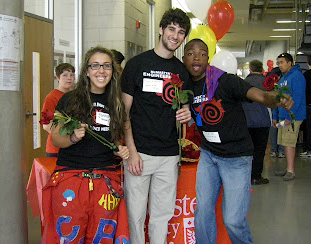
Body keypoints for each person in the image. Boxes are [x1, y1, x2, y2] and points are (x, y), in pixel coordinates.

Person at [182, 39, 294, 244]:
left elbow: (259, 95)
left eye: (202, 54)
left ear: (209, 59)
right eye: (190, 53)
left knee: (233, 220)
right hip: (209, 155)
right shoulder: (186, 85)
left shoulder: (225, 81)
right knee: (202, 214)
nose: (196, 57)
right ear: (184, 59)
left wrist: (276, 99)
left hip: (236, 157)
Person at [42, 46, 130, 243]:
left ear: (113, 71)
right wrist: (73, 137)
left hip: (105, 180)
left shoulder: (116, 102)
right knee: (69, 237)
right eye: (95, 65)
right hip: (71, 179)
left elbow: (113, 138)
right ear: (87, 71)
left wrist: (119, 149)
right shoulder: (69, 100)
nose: (101, 71)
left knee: (103, 237)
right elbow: (56, 138)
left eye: (106, 66)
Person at [121, 8, 191, 244]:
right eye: (171, 29)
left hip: (169, 156)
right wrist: (131, 152)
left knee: (162, 215)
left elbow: (183, 110)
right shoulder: (136, 64)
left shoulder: (182, 71)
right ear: (161, 30)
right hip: (139, 154)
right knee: (136, 215)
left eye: (181, 32)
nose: (175, 35)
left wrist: (187, 112)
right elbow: (124, 112)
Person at [273, 53, 306, 181]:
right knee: (284, 143)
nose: (280, 65)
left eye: (282, 62)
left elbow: (297, 98)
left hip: (292, 117)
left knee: (289, 143)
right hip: (283, 115)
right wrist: (276, 116)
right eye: (278, 63)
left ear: (289, 63)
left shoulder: (297, 76)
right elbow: (277, 98)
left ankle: (291, 170)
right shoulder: (283, 78)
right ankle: (288, 168)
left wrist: (290, 117)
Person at [242, 60, 271, 185]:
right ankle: (256, 176)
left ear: (250, 70)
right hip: (262, 121)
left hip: (246, 121)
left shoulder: (244, 83)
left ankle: (245, 176)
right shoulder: (267, 83)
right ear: (262, 69)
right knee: (259, 150)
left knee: (246, 150)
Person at [41, 63, 75, 157]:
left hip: (73, 146)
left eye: (72, 75)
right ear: (58, 78)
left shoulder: (75, 96)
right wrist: (63, 136)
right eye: (65, 75)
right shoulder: (51, 98)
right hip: (56, 149)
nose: (69, 78)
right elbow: (46, 125)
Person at [267, 67, 286, 158]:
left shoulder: (272, 84)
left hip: (275, 109)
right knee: (281, 130)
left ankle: (274, 150)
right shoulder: (284, 84)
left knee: (274, 129)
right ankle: (281, 151)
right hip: (283, 111)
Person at [300, 55, 311, 157]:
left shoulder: (306, 75)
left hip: (308, 105)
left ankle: (309, 149)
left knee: (308, 128)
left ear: (308, 63)